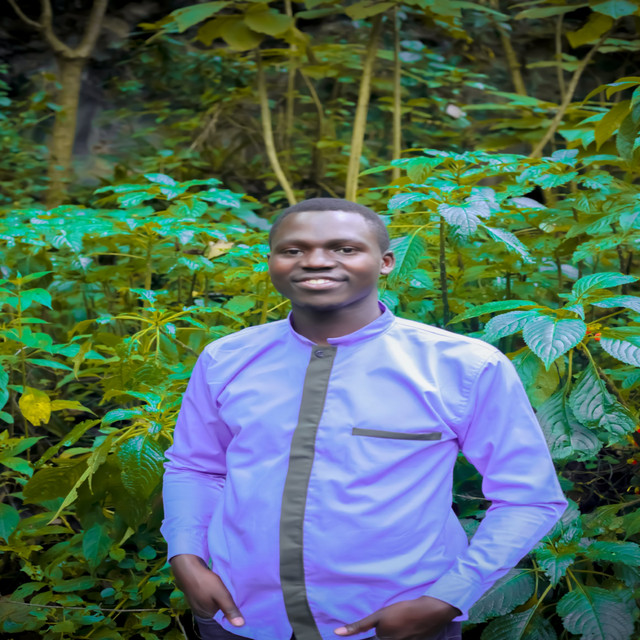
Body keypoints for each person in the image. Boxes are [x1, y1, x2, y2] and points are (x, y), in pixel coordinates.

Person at [161, 198, 567, 640]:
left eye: (344, 248)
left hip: (400, 621)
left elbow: (528, 498)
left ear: (386, 261)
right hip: (239, 613)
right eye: (293, 250)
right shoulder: (226, 358)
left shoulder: (464, 366)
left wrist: (449, 597)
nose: (316, 261)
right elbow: (195, 467)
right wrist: (186, 556)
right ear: (272, 261)